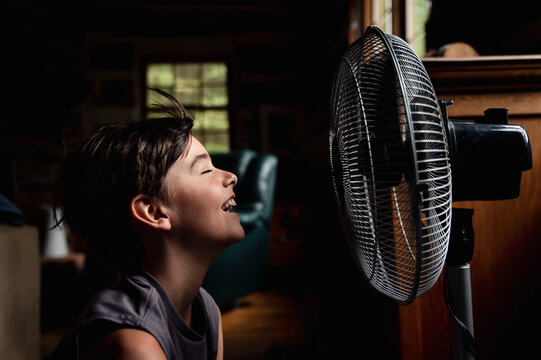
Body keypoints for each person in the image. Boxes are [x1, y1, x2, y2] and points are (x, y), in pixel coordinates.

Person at [51, 89, 245, 360]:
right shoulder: (135, 342)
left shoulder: (207, 310)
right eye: (205, 170)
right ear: (154, 212)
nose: (232, 176)